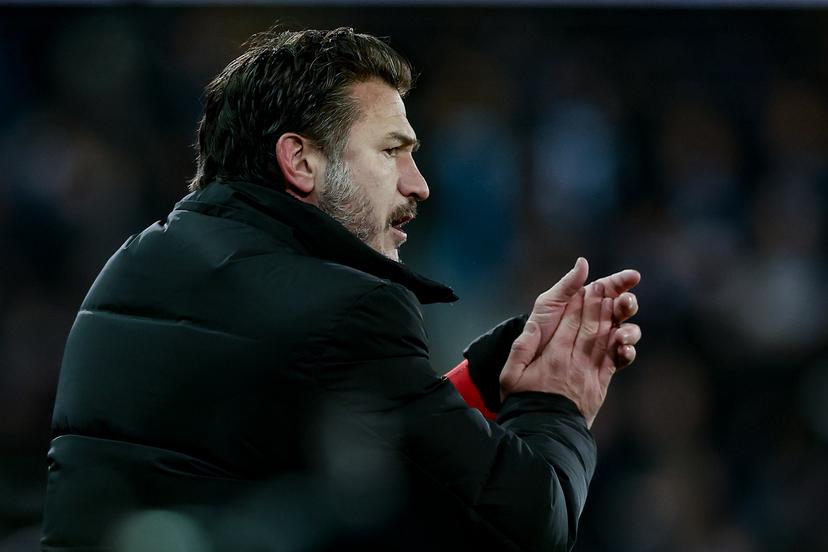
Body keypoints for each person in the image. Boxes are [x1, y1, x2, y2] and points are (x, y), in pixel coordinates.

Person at [41, 27, 641, 552]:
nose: (419, 185)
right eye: (392, 152)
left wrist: (486, 375)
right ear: (300, 162)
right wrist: (556, 403)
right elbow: (531, 525)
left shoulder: (133, 263)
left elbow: (380, 435)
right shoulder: (346, 307)